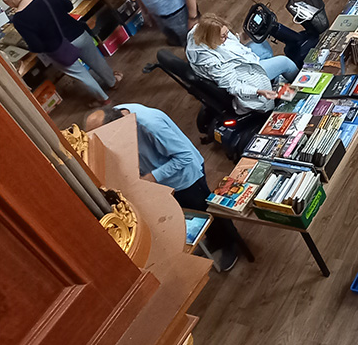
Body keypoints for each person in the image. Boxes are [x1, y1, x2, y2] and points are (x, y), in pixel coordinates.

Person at [85, 104, 242, 271]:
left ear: (116, 127)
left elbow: (184, 157)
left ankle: (232, 244)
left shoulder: (151, 125)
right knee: (195, 214)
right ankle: (215, 239)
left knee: (208, 210)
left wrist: (150, 177)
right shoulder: (114, 117)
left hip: (185, 177)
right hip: (162, 178)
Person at [0, 0, 122, 105]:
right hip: (78, 33)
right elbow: (68, 6)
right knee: (97, 60)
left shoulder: (19, 19)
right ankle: (113, 82)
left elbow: (37, 46)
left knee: (82, 75)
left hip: (59, 49)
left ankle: (104, 99)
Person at [186, 13, 298, 114]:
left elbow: (232, 41)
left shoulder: (204, 32)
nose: (226, 37)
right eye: (223, 36)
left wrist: (243, 36)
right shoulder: (212, 64)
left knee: (261, 45)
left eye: (226, 33)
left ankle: (275, 80)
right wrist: (258, 91)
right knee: (284, 62)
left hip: (241, 62)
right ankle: (302, 86)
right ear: (211, 38)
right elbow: (234, 85)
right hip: (243, 75)